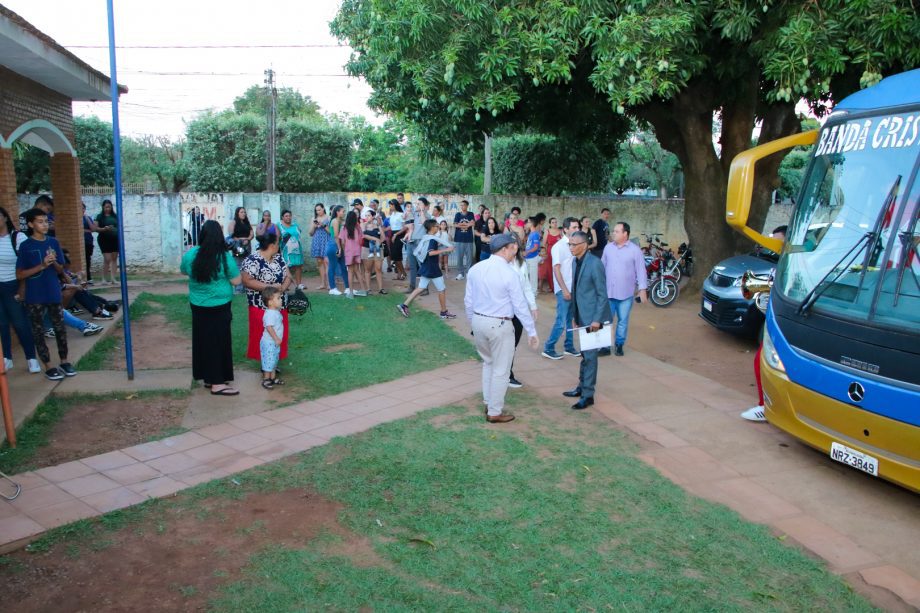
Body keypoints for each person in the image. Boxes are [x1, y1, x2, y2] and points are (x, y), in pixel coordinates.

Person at [464, 233, 539, 423]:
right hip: (499, 324)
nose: (515, 252)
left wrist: (473, 322)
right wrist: (531, 331)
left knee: (488, 363)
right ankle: (494, 411)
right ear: (504, 249)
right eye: (513, 248)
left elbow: (468, 301)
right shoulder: (509, 273)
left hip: (479, 321)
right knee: (501, 369)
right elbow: (520, 306)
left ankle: (489, 402)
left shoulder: (476, 269)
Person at [180, 220, 240, 396]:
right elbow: (236, 280)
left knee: (203, 341)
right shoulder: (224, 257)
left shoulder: (191, 254)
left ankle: (209, 377)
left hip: (198, 305)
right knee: (219, 342)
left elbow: (183, 271)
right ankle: (217, 383)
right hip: (220, 306)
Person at [16, 208, 74, 380]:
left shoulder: (53, 242)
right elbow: (20, 274)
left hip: (53, 291)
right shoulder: (25, 246)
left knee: (60, 328)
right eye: (40, 222)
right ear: (31, 224)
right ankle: (48, 365)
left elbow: (60, 270)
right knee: (38, 331)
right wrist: (41, 265)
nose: (45, 225)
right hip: (35, 295)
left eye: (46, 221)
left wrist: (53, 261)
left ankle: (64, 361)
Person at [741, 225, 787, 422]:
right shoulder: (782, 263)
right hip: (776, 320)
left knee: (764, 361)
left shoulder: (792, 264)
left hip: (784, 323)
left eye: (777, 241)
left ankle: (765, 407)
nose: (772, 245)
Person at [562, 232, 612, 410]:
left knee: (590, 357)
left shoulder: (595, 263)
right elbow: (576, 290)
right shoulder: (575, 262)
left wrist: (597, 320)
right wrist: (575, 316)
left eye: (573, 244)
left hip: (593, 319)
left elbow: (602, 294)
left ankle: (588, 395)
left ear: (584, 245)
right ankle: (582, 387)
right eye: (569, 244)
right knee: (585, 354)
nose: (570, 247)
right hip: (581, 316)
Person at [241, 232, 293, 370]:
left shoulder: (278, 258)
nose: (279, 246)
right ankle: (266, 365)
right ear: (272, 245)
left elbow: (288, 276)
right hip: (260, 306)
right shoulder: (252, 260)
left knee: (279, 332)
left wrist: (282, 288)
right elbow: (246, 281)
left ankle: (273, 362)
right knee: (263, 335)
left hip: (279, 304)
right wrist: (270, 288)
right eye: (277, 243)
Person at [0, 206, 40, 374]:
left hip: (13, 285)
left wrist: (22, 289)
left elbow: (25, 265)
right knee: (2, 324)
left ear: (5, 218)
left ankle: (31, 358)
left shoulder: (17, 237)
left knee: (20, 323)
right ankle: (6, 358)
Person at [600, 222, 648, 356]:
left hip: (625, 294)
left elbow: (641, 271)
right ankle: (605, 346)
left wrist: (642, 289)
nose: (613, 233)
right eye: (613, 231)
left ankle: (619, 344)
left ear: (625, 234)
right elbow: (601, 267)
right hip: (608, 293)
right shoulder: (608, 248)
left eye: (616, 231)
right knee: (606, 321)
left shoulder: (635, 250)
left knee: (622, 321)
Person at [397, 219, 456, 319]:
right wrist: (446, 249)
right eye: (437, 226)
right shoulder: (432, 239)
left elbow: (429, 249)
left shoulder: (427, 237)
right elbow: (430, 253)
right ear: (432, 228)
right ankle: (443, 312)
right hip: (432, 267)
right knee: (441, 289)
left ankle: (404, 305)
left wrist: (440, 246)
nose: (438, 227)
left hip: (427, 266)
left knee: (421, 287)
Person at [542, 217, 582, 360]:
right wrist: (564, 289)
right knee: (561, 321)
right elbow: (556, 269)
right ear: (565, 229)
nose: (577, 229)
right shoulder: (558, 247)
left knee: (570, 319)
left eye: (578, 227)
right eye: (574, 227)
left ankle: (569, 347)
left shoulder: (576, 245)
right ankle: (548, 347)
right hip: (563, 289)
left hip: (573, 288)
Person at [508, 235, 538, 388]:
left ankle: (507, 372)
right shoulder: (500, 264)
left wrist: (533, 306)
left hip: (519, 310)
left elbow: (526, 286)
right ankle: (506, 374)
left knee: (513, 344)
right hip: (503, 311)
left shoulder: (522, 263)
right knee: (504, 344)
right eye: (510, 244)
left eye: (516, 244)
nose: (514, 247)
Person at [259, 286, 284, 390]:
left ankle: (273, 378)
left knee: (273, 360)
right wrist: (276, 338)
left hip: (274, 342)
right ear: (270, 302)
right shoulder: (270, 314)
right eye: (278, 298)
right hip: (269, 342)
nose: (281, 300)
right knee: (268, 361)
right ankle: (266, 379)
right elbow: (269, 327)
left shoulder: (275, 311)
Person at [405, 197, 432, 293]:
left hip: (420, 242)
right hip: (411, 242)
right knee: (412, 266)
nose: (416, 205)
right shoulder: (413, 214)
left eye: (419, 204)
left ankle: (425, 288)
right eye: (416, 204)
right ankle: (412, 286)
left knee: (422, 265)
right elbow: (406, 223)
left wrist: (421, 211)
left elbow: (425, 223)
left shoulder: (427, 215)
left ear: (424, 205)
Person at [341, 210, 368, 298]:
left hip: (349, 252)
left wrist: (344, 250)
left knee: (350, 271)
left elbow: (343, 242)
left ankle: (351, 293)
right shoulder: (358, 227)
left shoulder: (345, 228)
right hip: (357, 251)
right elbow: (361, 239)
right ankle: (363, 290)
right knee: (357, 270)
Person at [278, 209, 305, 290]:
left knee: (298, 266)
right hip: (285, 251)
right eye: (286, 216)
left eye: (289, 216)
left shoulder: (295, 225)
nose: (288, 217)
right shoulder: (279, 225)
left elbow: (299, 233)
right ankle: (284, 285)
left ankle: (299, 284)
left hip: (297, 250)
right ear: (282, 217)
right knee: (285, 268)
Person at [326, 205, 349, 295]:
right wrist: (339, 248)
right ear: (337, 212)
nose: (344, 213)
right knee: (332, 267)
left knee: (343, 267)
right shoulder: (335, 221)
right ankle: (332, 288)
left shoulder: (340, 221)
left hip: (337, 246)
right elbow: (336, 236)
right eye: (343, 211)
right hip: (334, 246)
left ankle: (347, 288)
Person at [96, 199, 120, 285]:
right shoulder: (99, 216)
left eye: (109, 207)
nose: (108, 209)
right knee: (107, 259)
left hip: (115, 239)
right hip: (104, 239)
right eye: (106, 207)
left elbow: (119, 226)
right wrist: (104, 229)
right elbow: (95, 228)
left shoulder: (115, 216)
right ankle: (104, 279)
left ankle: (113, 278)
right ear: (103, 207)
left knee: (114, 258)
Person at [363, 209, 387, 294]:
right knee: (368, 269)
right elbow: (363, 235)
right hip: (366, 249)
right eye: (366, 215)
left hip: (378, 249)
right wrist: (375, 239)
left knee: (378, 269)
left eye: (369, 215)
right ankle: (368, 289)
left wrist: (379, 242)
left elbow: (383, 237)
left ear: (373, 216)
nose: (367, 217)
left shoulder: (377, 226)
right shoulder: (364, 225)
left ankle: (381, 288)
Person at [309, 203, 330, 290]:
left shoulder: (329, 218)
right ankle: (322, 284)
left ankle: (329, 284)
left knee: (327, 262)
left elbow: (331, 232)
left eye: (319, 210)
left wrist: (323, 225)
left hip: (326, 241)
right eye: (316, 210)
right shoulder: (313, 219)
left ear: (323, 208)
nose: (318, 212)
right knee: (319, 262)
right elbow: (310, 233)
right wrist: (314, 227)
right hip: (317, 241)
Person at [453, 199, 475, 279]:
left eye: (464, 205)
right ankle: (461, 273)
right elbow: (455, 225)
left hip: (469, 239)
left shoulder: (471, 214)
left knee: (469, 257)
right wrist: (467, 225)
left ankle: (468, 272)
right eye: (461, 205)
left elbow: (472, 223)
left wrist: (461, 224)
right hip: (459, 239)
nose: (462, 206)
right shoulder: (458, 214)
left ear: (467, 206)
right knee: (459, 257)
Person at [540, 217, 562, 293]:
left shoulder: (560, 231)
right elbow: (544, 243)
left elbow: (563, 242)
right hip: (549, 252)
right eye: (553, 222)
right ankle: (552, 286)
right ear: (550, 224)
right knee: (550, 269)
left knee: (558, 268)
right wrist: (544, 253)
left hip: (558, 252)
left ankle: (558, 286)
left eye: (556, 222)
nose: (555, 224)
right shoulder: (547, 231)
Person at [387, 200, 407, 280]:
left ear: (395, 205)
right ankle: (399, 274)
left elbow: (404, 227)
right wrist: (383, 229)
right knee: (394, 256)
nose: (390, 207)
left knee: (397, 255)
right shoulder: (392, 214)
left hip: (399, 234)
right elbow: (392, 226)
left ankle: (403, 273)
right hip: (393, 234)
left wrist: (396, 234)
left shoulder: (401, 214)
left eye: (391, 205)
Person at [523, 216, 542, 295]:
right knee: (527, 274)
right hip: (528, 257)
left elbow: (536, 247)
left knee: (533, 275)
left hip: (532, 257)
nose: (526, 224)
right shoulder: (531, 233)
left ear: (532, 223)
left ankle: (534, 292)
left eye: (528, 222)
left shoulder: (535, 234)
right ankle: (530, 291)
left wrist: (527, 252)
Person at [81, 202, 99, 283]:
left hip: (88, 241)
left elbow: (93, 229)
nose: (81, 210)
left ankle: (88, 277)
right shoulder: (75, 218)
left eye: (83, 208)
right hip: (80, 243)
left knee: (87, 259)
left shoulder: (87, 218)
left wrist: (87, 218)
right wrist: (86, 230)